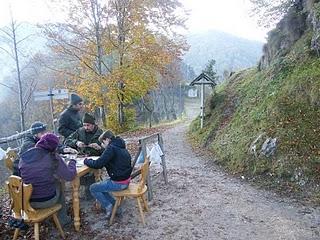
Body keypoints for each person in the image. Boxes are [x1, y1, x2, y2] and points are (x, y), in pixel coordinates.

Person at [19, 133, 77, 226]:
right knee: (58, 183)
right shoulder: (52, 157)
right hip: (45, 201)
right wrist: (72, 161)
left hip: (26, 201)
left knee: (49, 182)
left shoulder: (24, 156)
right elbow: (69, 176)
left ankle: (48, 218)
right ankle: (63, 219)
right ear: (53, 147)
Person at [84, 130, 132, 218]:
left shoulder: (111, 148)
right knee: (101, 186)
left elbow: (98, 164)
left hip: (119, 182)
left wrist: (86, 160)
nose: (102, 145)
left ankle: (108, 206)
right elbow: (109, 157)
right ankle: (115, 206)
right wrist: (101, 150)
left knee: (93, 188)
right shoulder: (119, 145)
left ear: (107, 140)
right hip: (125, 179)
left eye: (102, 142)